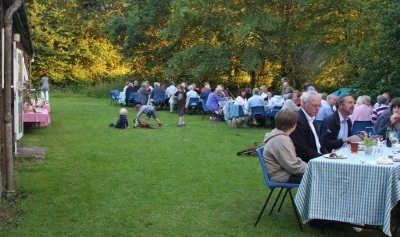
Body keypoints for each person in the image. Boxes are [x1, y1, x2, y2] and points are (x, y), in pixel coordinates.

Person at [263, 109, 307, 184]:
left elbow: (292, 161)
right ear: (294, 124)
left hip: (283, 172)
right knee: (316, 179)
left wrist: (307, 166)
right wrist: (310, 169)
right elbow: (292, 167)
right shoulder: (281, 140)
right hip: (280, 175)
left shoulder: (278, 135)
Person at [289, 91, 328, 162]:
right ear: (303, 103)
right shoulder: (298, 120)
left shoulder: (311, 118)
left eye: (319, 106)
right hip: (307, 163)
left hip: (318, 158)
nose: (317, 109)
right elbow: (302, 150)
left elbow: (320, 144)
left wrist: (328, 156)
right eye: (314, 105)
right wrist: (323, 158)